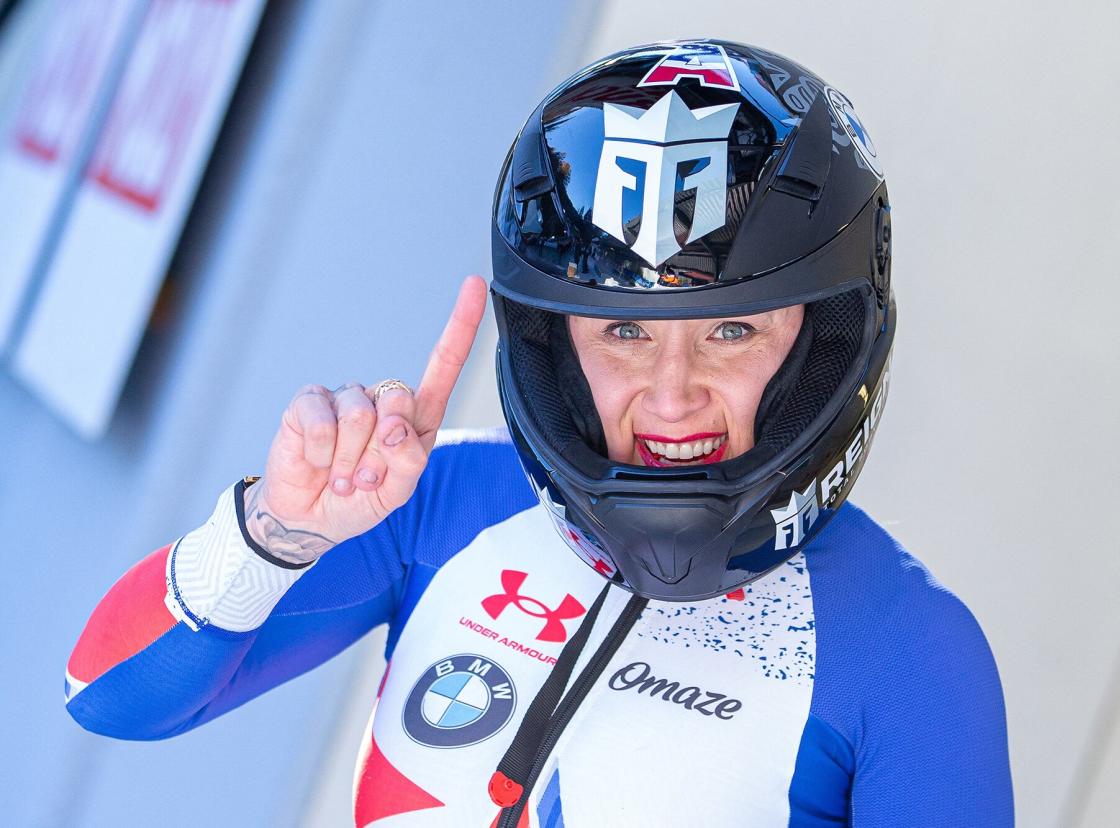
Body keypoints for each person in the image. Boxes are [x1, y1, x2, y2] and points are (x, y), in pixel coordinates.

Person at [65, 40, 1013, 826]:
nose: (671, 397)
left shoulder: (910, 652)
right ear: (552, 343)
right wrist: (275, 532)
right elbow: (109, 697)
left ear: (824, 340)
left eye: (732, 330)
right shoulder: (437, 501)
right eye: (624, 332)